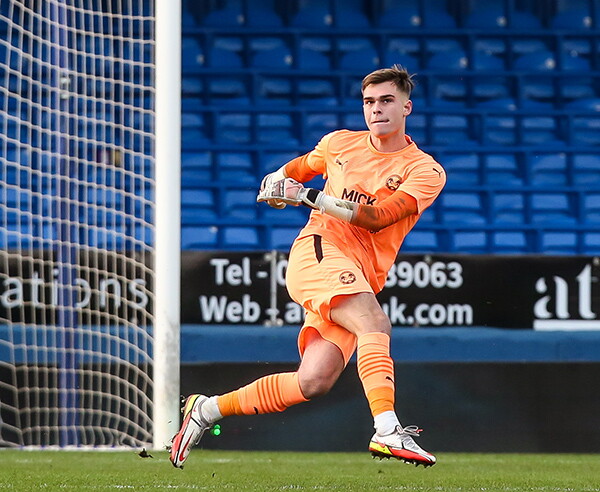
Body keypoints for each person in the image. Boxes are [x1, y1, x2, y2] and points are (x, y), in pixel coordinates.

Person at [169, 65, 446, 469]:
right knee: (374, 323)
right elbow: (293, 171)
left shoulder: (424, 170)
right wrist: (274, 185)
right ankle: (387, 429)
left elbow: (379, 217)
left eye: (387, 100)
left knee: (314, 381)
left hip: (359, 271)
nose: (376, 109)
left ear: (407, 107)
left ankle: (207, 409)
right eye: (369, 101)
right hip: (319, 249)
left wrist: (307, 196)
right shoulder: (338, 144)